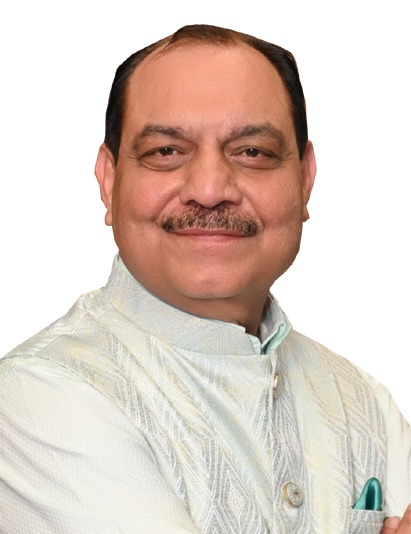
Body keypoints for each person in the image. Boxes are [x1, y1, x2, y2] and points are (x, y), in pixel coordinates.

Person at [0, 24, 410, 534]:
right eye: (166, 151)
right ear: (109, 180)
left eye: (252, 152)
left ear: (305, 179)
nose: (211, 189)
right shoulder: (39, 396)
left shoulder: (365, 402)